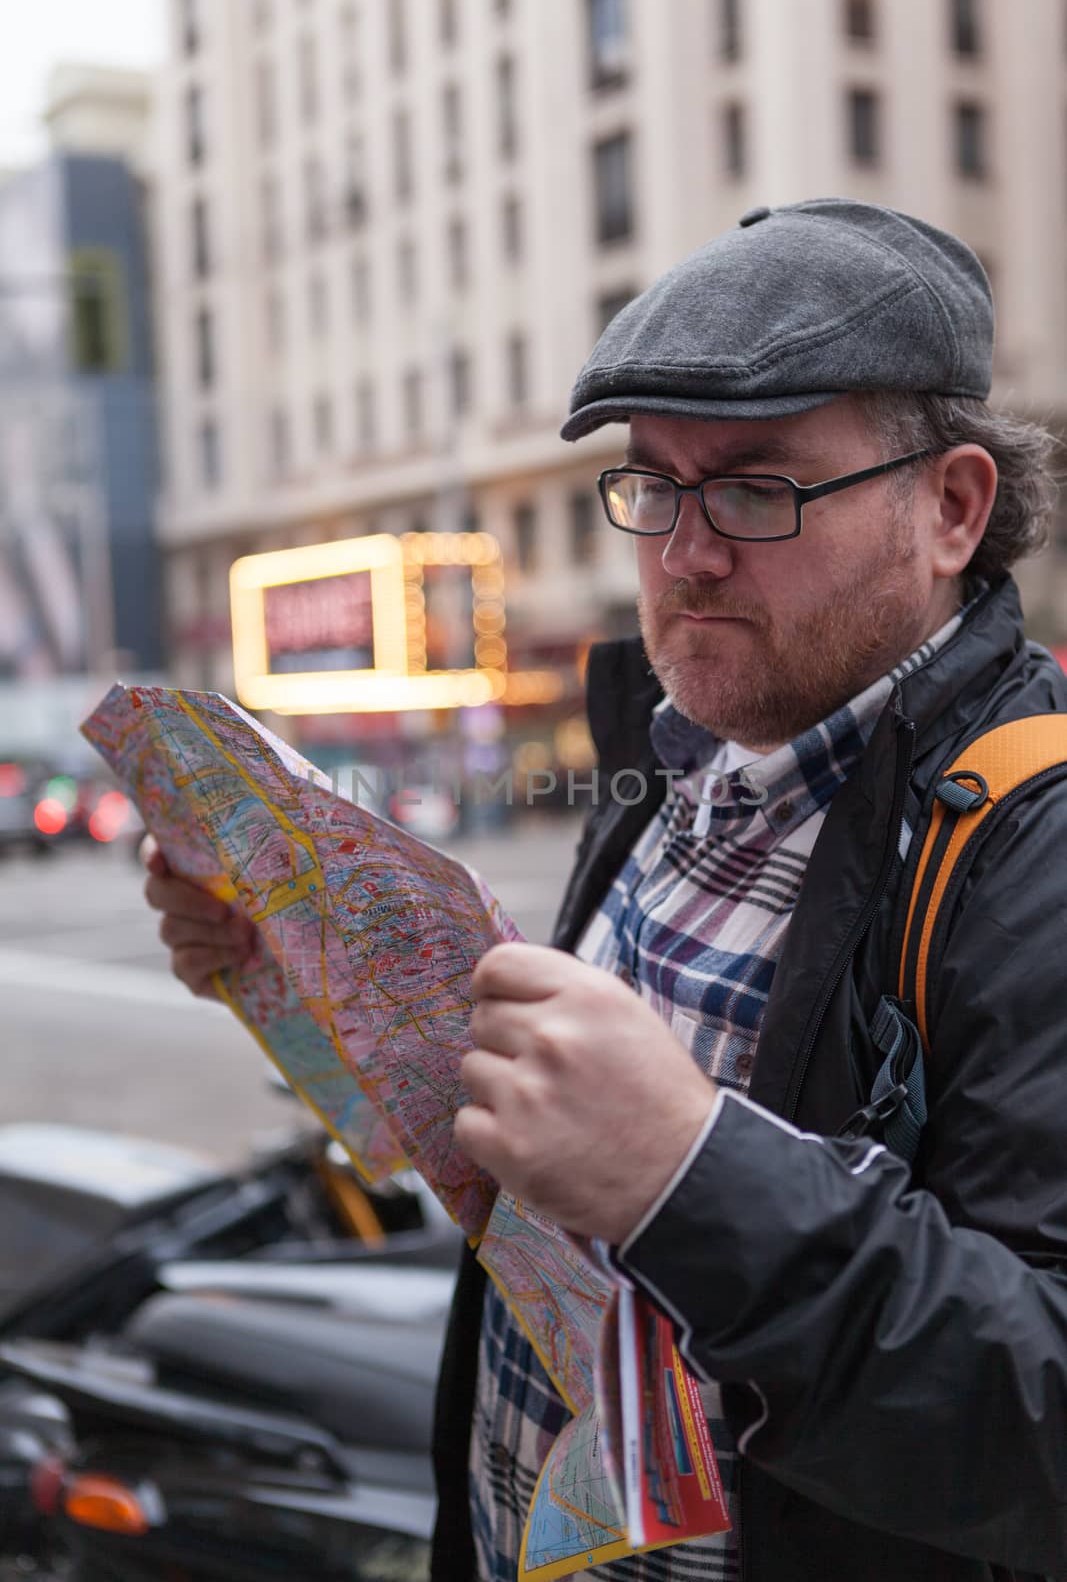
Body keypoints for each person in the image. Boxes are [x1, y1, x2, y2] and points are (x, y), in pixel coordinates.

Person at [144, 199, 1067, 1582]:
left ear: (951, 507)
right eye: (654, 484)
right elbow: (535, 1175)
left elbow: (1042, 1421)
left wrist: (689, 1174)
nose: (685, 552)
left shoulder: (1032, 843)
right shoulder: (671, 747)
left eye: (757, 491)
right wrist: (294, 979)